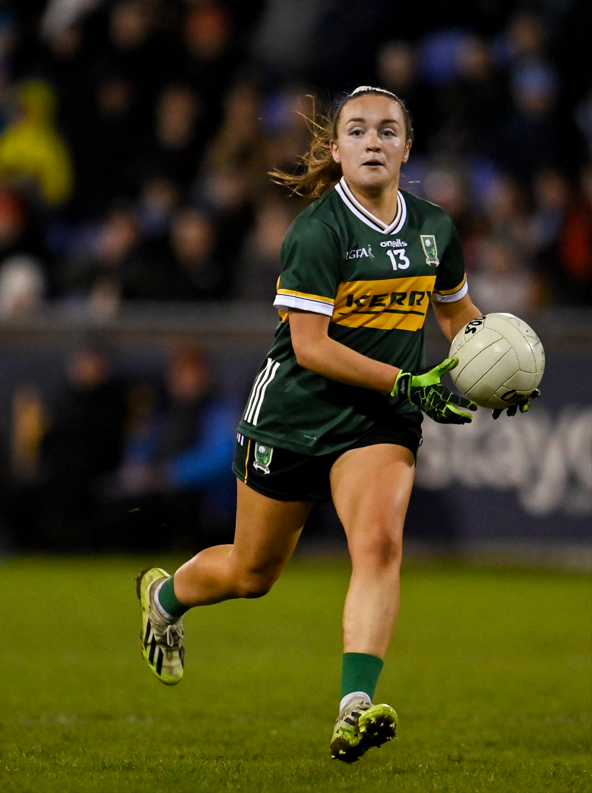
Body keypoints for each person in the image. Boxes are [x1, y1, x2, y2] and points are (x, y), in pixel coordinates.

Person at [136, 86, 539, 763]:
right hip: (294, 414)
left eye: (388, 130)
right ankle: (164, 596)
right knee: (251, 572)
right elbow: (310, 347)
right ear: (336, 149)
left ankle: (354, 704)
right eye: (358, 130)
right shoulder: (319, 231)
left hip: (378, 420)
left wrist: (498, 369)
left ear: (408, 148)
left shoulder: (435, 227)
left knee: (379, 544)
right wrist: (408, 380)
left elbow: (457, 314)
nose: (373, 141)